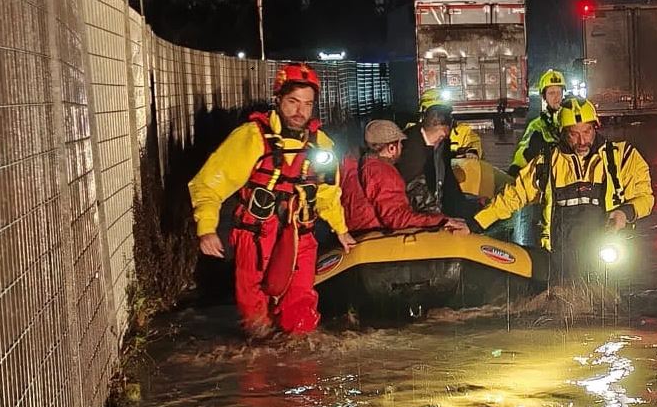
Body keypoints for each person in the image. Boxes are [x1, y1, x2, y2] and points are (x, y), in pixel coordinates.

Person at [188, 62, 355, 339]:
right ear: (278, 99)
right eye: (292, 102)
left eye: (307, 104)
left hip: (300, 236)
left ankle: (301, 365)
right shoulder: (251, 137)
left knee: (300, 313)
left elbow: (327, 192)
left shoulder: (321, 144)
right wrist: (206, 228)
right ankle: (262, 364)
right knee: (256, 316)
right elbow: (208, 183)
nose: (300, 111)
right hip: (255, 235)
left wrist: (341, 229)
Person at [471, 97, 654, 281]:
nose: (582, 141)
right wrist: (475, 224)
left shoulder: (623, 158)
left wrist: (624, 212)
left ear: (595, 127)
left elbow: (645, 198)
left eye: (587, 131)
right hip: (560, 259)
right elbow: (513, 196)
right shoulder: (546, 164)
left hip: (607, 256)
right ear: (562, 133)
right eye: (574, 134)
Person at [343, 119, 470, 233]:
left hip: (356, 231)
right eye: (400, 143)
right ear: (391, 148)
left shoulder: (354, 164)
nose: (402, 147)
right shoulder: (383, 173)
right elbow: (396, 218)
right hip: (374, 235)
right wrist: (441, 220)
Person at [396, 91, 471, 218]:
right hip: (420, 213)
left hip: (437, 204)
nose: (440, 142)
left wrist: (463, 207)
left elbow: (448, 179)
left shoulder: (442, 142)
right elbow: (415, 191)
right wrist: (438, 218)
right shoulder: (410, 148)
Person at [508, 69, 566, 177]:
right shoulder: (537, 125)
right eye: (551, 93)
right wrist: (516, 168)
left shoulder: (571, 119)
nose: (556, 97)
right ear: (544, 97)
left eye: (559, 92)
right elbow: (524, 149)